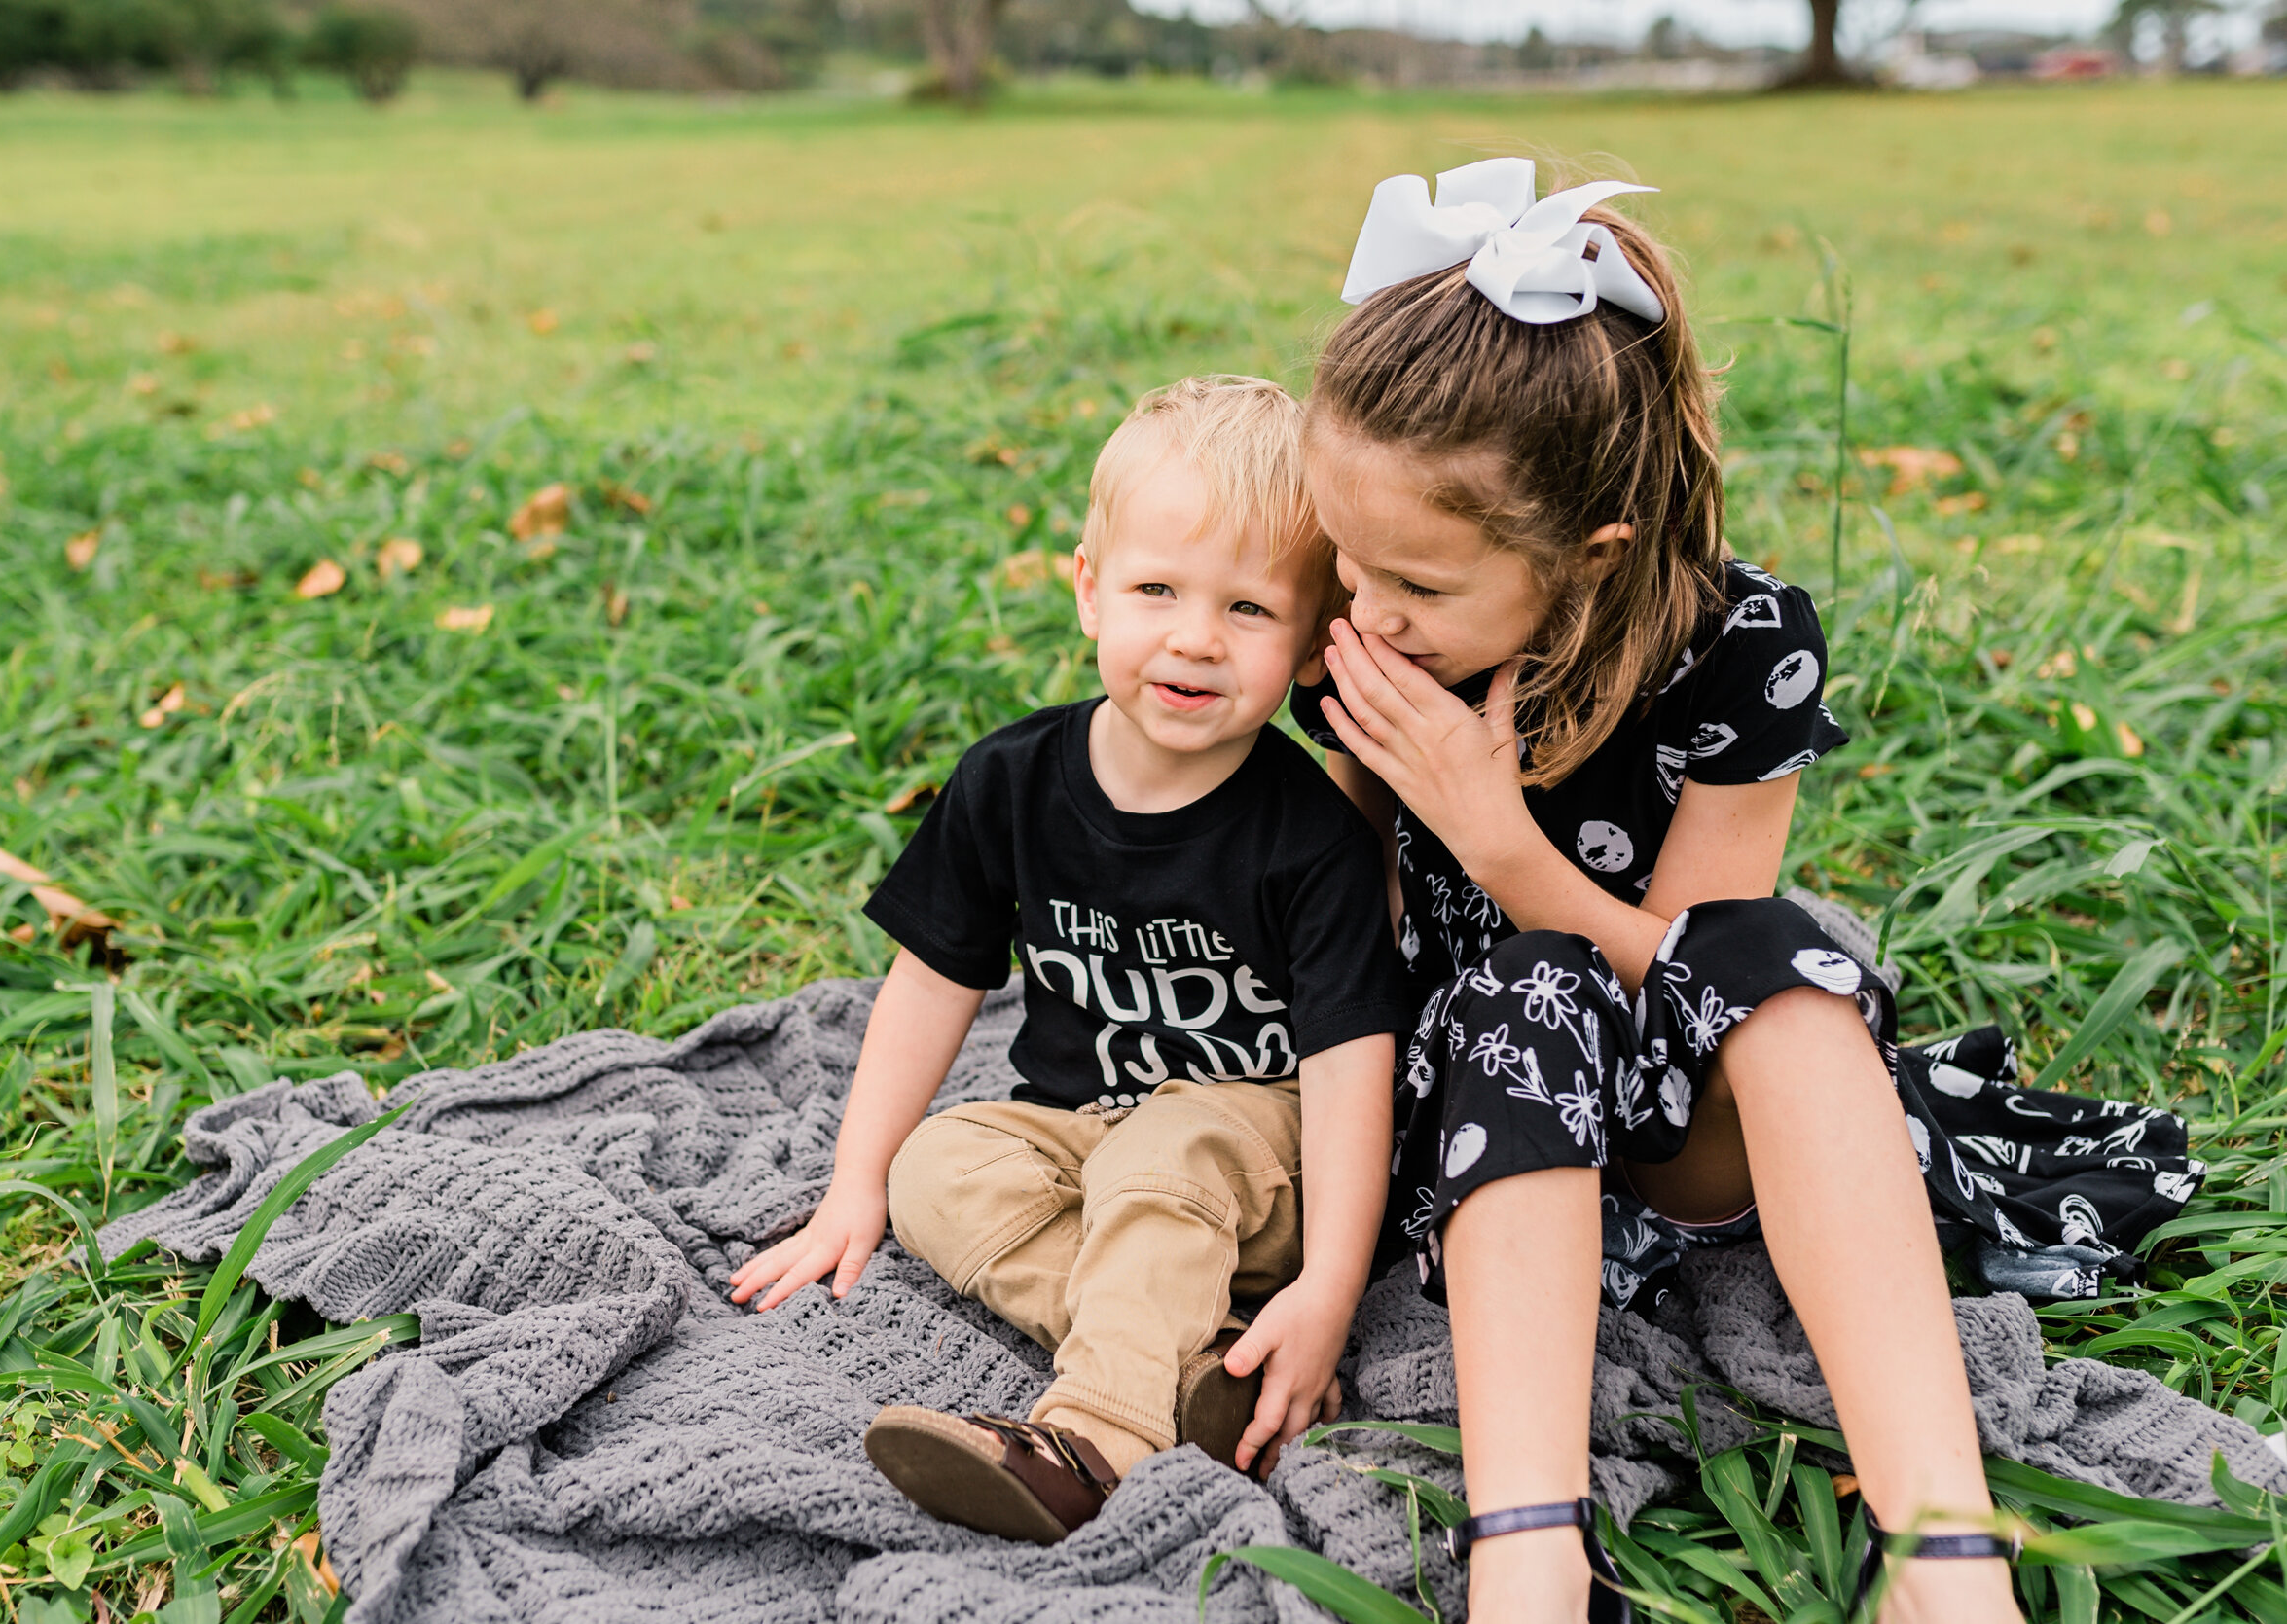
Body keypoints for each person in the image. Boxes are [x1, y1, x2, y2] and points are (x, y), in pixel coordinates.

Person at [1293, 158, 2203, 1623]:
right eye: (1345, 555)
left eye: (1418, 581)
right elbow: (1337, 959)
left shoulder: (1742, 639)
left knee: (1778, 963)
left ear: (1592, 556)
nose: (1368, 607)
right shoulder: (1361, 644)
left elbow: (1694, 968)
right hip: (1453, 1140)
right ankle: (1530, 1561)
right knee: (1526, 988)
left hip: (1672, 1138)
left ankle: (1943, 1553)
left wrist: (1502, 845)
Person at [729, 375, 1414, 1544]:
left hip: (1268, 1155)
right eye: (1157, 588)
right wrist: (854, 1186)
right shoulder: (1013, 780)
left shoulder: (1311, 834)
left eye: (1249, 609)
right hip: (1087, 1137)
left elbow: (1356, 1069)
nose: (1194, 636)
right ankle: (1191, 1367)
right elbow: (933, 978)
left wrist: (1329, 1290)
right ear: (1091, 589)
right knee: (936, 1167)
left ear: (1307, 644)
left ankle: (1089, 1444)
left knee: (1175, 1136)